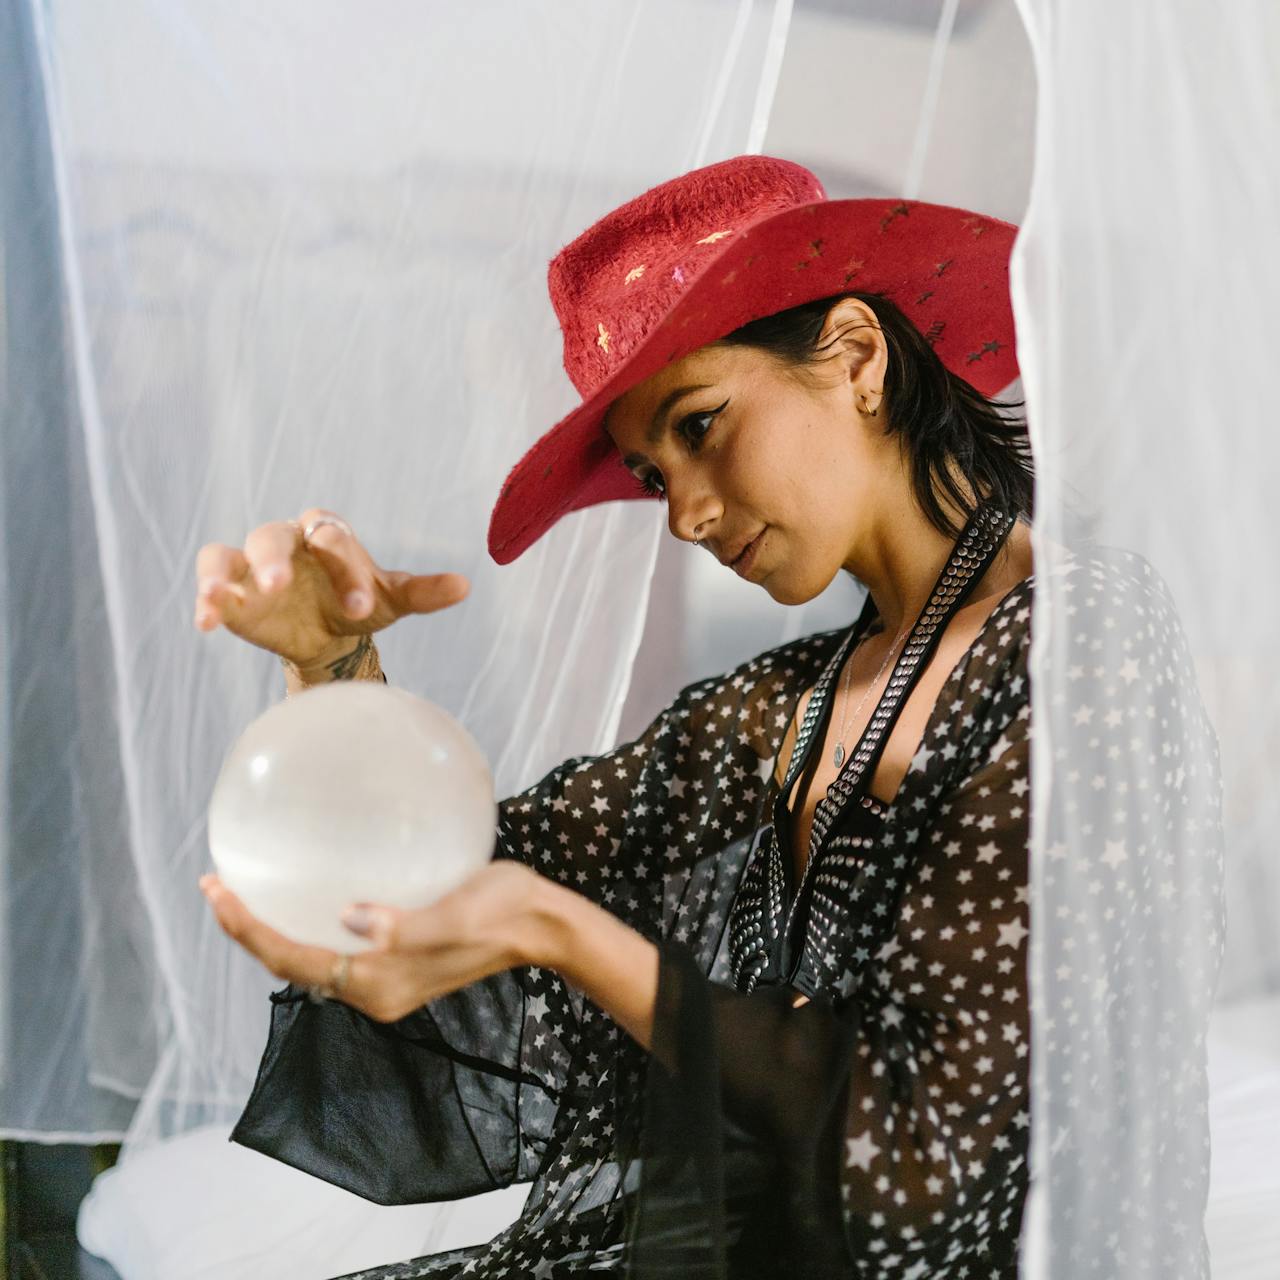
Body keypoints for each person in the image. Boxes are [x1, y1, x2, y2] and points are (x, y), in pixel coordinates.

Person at [193, 155, 1222, 1279]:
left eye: (701, 424)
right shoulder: (788, 703)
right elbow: (462, 870)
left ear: (857, 357)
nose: (681, 512)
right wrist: (333, 658)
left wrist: (562, 931)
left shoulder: (1092, 639)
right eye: (650, 471)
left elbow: (925, 1168)